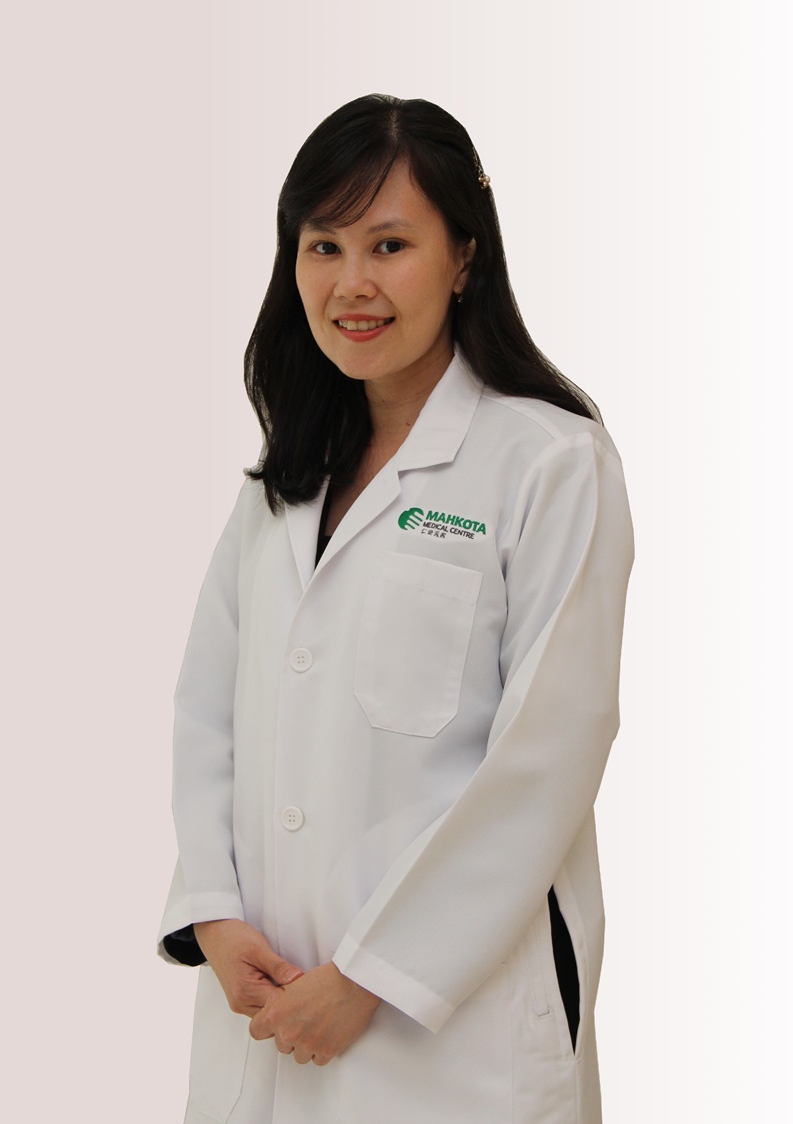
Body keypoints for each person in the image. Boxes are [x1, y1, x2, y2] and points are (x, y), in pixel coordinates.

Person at [158, 93, 634, 1124]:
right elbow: (207, 715)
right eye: (323, 246)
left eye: (389, 244)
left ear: (464, 257)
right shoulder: (284, 477)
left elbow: (546, 757)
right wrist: (214, 914)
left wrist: (373, 974)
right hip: (266, 1012)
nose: (351, 284)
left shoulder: (549, 462)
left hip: (451, 1042)